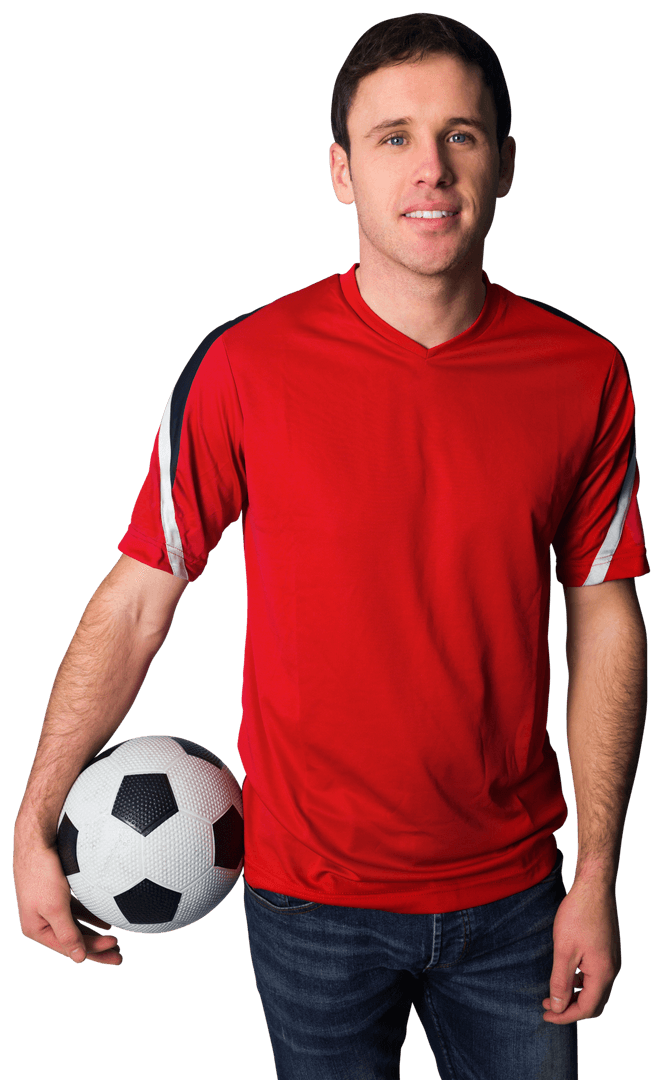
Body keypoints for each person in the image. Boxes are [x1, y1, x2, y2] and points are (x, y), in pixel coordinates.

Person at [13, 11, 650, 1080]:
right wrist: (36, 820)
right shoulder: (244, 365)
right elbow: (137, 600)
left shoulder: (584, 374)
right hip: (307, 902)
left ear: (504, 165)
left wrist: (597, 876)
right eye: (393, 137)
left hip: (514, 900)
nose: (430, 167)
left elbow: (606, 619)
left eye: (460, 134)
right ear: (342, 172)